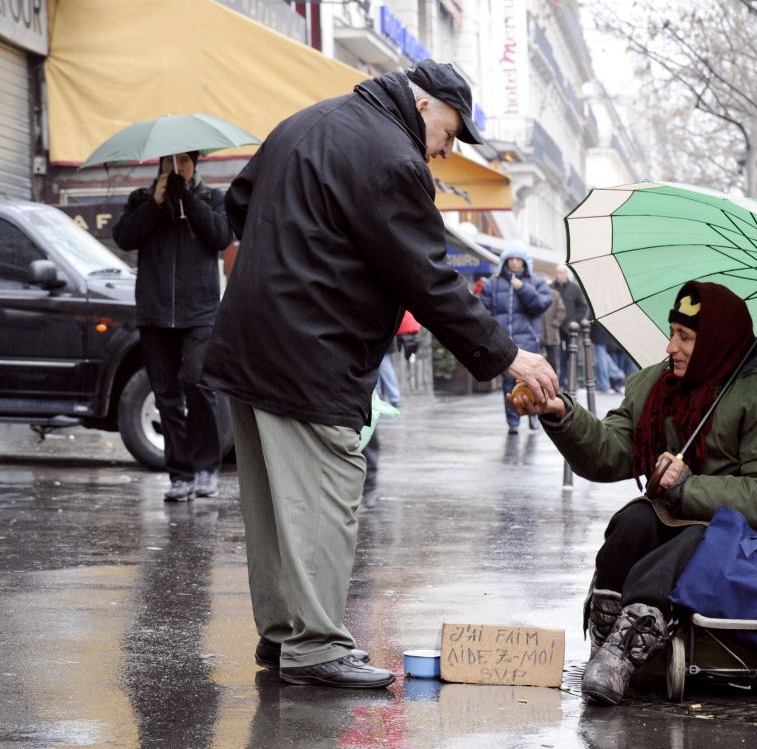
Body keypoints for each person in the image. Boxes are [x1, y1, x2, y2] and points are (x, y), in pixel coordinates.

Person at [202, 59, 557, 690]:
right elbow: (427, 277)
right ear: (422, 107)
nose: (449, 150)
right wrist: (509, 356)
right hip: (312, 348)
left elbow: (238, 201)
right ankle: (315, 647)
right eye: (451, 133)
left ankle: (284, 635)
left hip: (249, 336)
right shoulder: (393, 159)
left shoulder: (304, 122)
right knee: (323, 490)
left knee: (271, 501)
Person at [508, 281, 757, 704]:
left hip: (749, 536)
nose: (670, 347)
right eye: (672, 332)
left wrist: (687, 487)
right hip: (675, 520)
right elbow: (609, 454)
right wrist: (562, 413)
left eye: (685, 337)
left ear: (717, 342)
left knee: (694, 537)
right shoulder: (655, 388)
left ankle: (631, 642)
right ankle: (608, 633)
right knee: (633, 520)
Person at [113, 151, 231, 501]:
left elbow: (221, 237)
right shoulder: (142, 200)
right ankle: (180, 475)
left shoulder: (212, 198)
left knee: (197, 383)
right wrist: (156, 201)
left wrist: (189, 200)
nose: (176, 169)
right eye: (169, 163)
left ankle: (207, 468)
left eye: (183, 163)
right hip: (155, 312)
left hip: (200, 313)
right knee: (165, 395)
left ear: (195, 165)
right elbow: (125, 238)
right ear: (160, 166)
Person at [479, 243, 553, 434]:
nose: (513, 263)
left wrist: (523, 289)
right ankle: (512, 421)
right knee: (509, 383)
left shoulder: (536, 282)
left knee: (532, 381)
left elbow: (541, 305)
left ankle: (534, 416)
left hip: (528, 340)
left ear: (524, 262)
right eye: (510, 259)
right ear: (505, 262)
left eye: (517, 260)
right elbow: (482, 309)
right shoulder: (493, 283)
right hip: (504, 341)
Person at [551, 264, 588, 390]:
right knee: (558, 357)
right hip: (556, 328)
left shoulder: (575, 288)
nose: (560, 275)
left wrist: (576, 321)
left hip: (571, 328)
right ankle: (560, 382)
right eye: (558, 273)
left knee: (572, 355)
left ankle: (572, 381)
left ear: (566, 273)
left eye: (562, 273)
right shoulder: (551, 288)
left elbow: (583, 307)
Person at [542, 282, 566, 375]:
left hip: (552, 332)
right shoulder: (535, 292)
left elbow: (561, 310)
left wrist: (556, 323)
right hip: (538, 333)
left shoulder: (554, 294)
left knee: (554, 362)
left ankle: (554, 385)